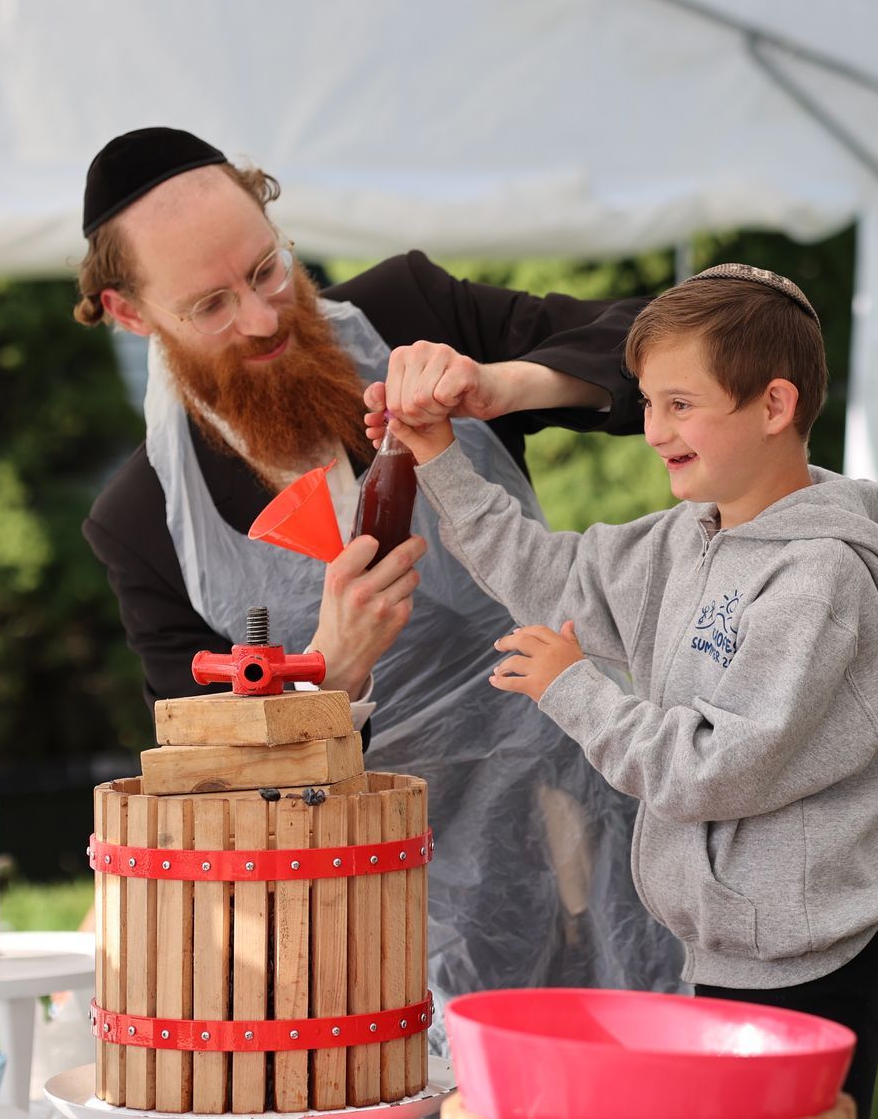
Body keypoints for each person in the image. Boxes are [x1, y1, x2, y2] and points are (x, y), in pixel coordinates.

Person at [72, 126, 681, 1029]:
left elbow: (672, 344)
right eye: (209, 305)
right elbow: (210, 798)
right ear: (130, 313)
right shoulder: (141, 524)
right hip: (390, 909)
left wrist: (502, 385)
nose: (264, 318)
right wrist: (328, 674)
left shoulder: (408, 309)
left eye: (267, 270)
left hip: (603, 817)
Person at [379, 263, 878, 1116]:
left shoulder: (819, 581)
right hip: (716, 948)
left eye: (679, 404)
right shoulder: (683, 537)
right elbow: (543, 572)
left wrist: (574, 689)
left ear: (774, 407)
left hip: (812, 962)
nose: (653, 428)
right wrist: (438, 455)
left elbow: (713, 769)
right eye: (649, 402)